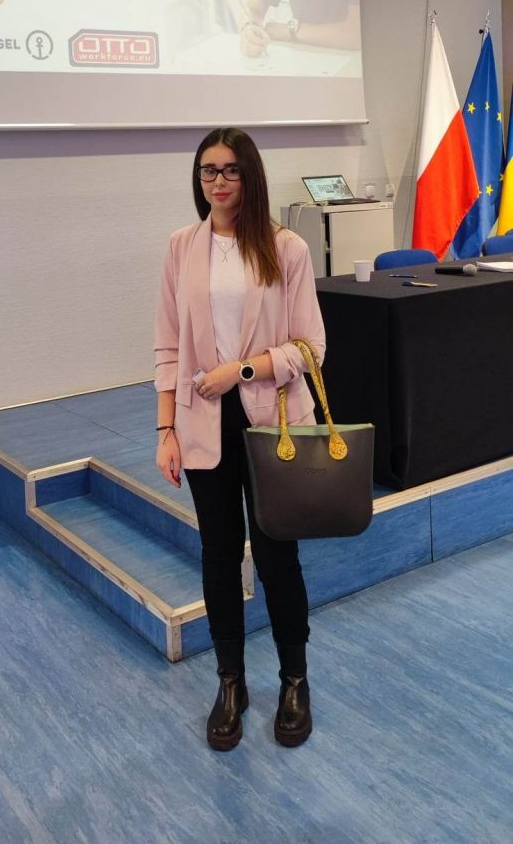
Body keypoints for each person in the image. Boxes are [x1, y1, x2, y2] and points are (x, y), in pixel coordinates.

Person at [154, 127, 325, 751]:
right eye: (208, 171)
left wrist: (243, 370)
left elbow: (312, 347)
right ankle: (231, 682)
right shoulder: (181, 247)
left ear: (250, 175)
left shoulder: (286, 248)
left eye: (230, 170)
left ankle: (294, 680)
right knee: (219, 556)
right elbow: (168, 347)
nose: (218, 181)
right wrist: (165, 429)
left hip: (271, 422)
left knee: (278, 557)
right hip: (203, 423)